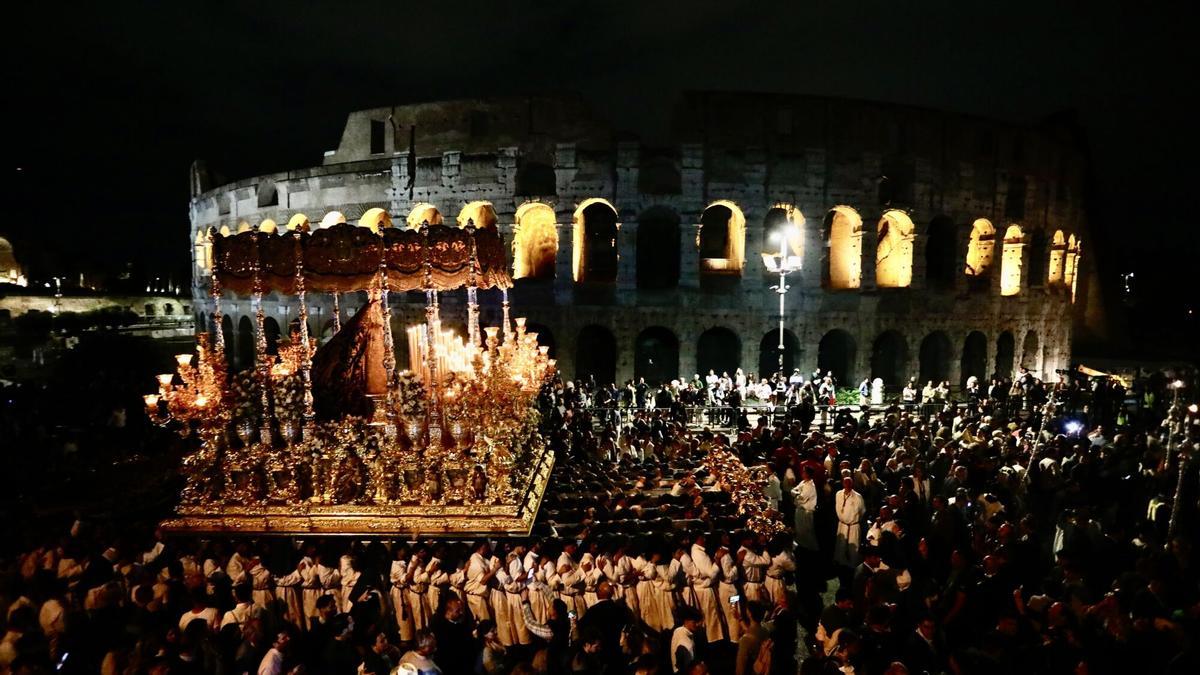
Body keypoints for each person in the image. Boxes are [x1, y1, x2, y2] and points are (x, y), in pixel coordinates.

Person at [833, 475, 866, 568]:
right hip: (842, 525)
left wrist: (853, 520)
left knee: (854, 546)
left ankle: (853, 565)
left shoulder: (858, 497)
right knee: (840, 545)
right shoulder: (838, 494)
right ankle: (840, 562)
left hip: (853, 526)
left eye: (849, 483)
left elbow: (862, 511)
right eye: (845, 482)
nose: (847, 484)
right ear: (843, 483)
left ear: (852, 484)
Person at [671, 606, 703, 674]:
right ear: (686, 621)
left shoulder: (682, 631)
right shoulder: (681, 634)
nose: (697, 624)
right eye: (694, 622)